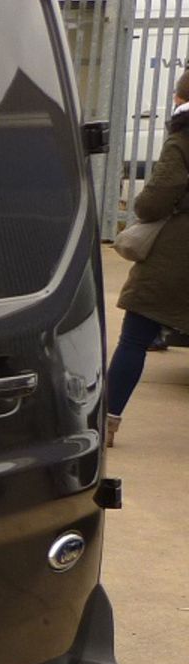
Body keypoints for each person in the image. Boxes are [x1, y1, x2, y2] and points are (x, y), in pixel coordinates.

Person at [107, 68, 189, 445]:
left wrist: (140, 204)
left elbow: (156, 199)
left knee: (135, 338)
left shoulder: (182, 137)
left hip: (178, 254)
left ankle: (107, 419)